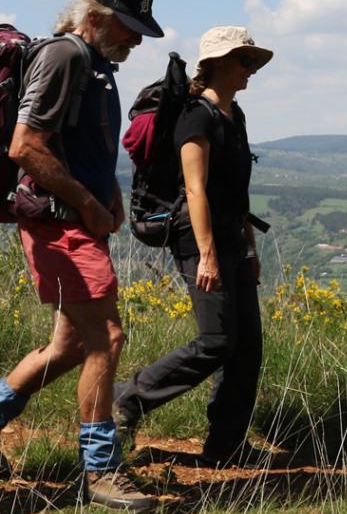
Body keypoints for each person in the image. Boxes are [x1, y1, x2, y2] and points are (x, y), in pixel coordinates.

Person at [0, 0, 164, 512]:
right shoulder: (65, 56)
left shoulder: (96, 65)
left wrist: (109, 192)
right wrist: (89, 204)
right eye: (129, 26)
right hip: (60, 221)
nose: (136, 39)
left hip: (77, 219)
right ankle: (101, 471)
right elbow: (26, 147)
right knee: (106, 338)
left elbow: (84, 146)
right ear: (94, 17)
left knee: (70, 346)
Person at [113, 25, 272, 466]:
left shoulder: (234, 115)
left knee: (247, 347)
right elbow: (195, 188)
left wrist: (249, 249)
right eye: (245, 60)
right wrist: (206, 255)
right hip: (197, 237)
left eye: (253, 62)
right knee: (216, 341)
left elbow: (236, 193)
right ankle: (127, 398)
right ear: (218, 62)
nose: (251, 69)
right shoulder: (196, 116)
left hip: (231, 235)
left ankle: (226, 444)